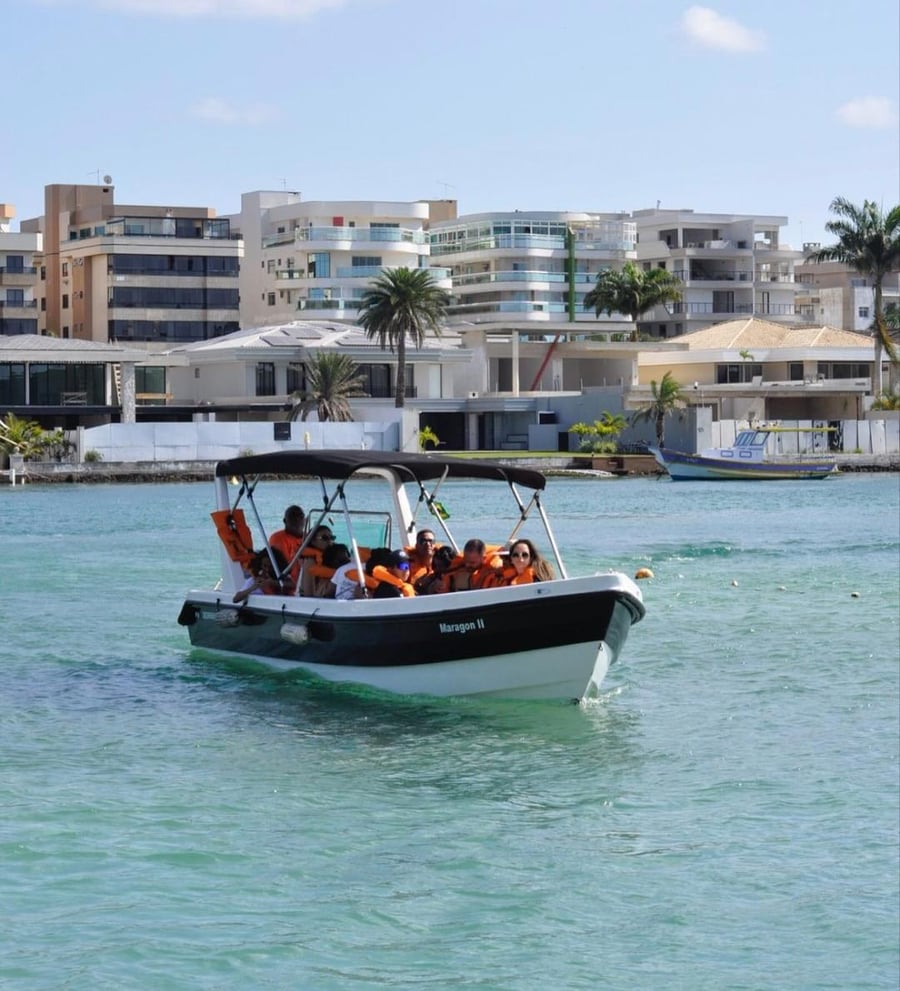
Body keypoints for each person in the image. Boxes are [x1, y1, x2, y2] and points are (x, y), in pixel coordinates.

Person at [269, 505, 306, 588]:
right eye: (293, 517)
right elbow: (282, 567)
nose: (297, 519)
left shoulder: (310, 538)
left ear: (305, 519)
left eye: (300, 516)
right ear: (285, 521)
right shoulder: (278, 538)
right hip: (290, 586)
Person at [299, 524, 336, 596]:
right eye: (324, 538)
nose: (329, 541)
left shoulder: (331, 558)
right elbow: (308, 592)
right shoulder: (310, 561)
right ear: (312, 541)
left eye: (332, 538)